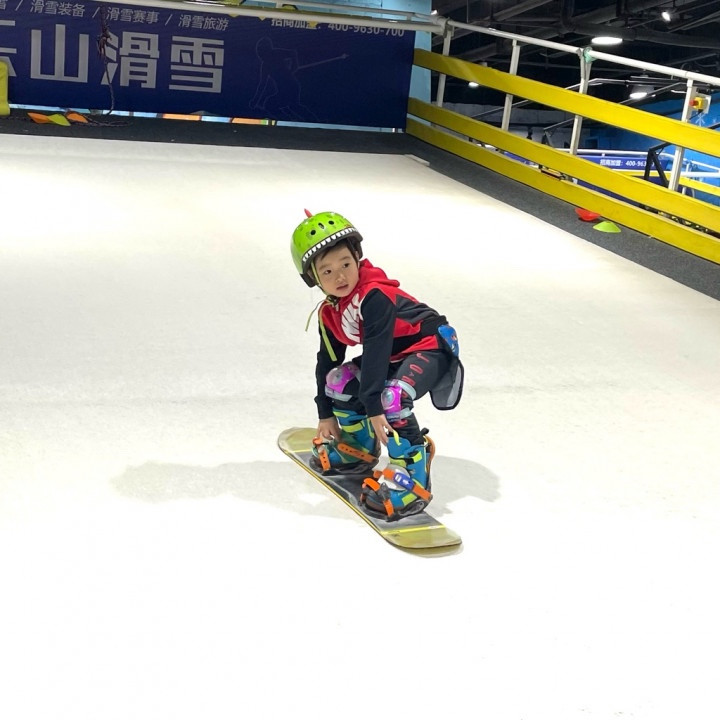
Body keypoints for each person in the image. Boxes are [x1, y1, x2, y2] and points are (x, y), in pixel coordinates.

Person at [290, 210, 463, 520]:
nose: (340, 277)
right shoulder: (330, 311)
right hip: (395, 354)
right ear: (313, 278)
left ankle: (412, 469)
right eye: (327, 271)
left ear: (357, 257)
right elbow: (327, 360)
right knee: (339, 380)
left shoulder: (374, 296)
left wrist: (374, 408)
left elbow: (376, 353)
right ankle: (359, 446)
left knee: (390, 398)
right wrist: (325, 413)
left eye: (346, 264)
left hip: (430, 346)